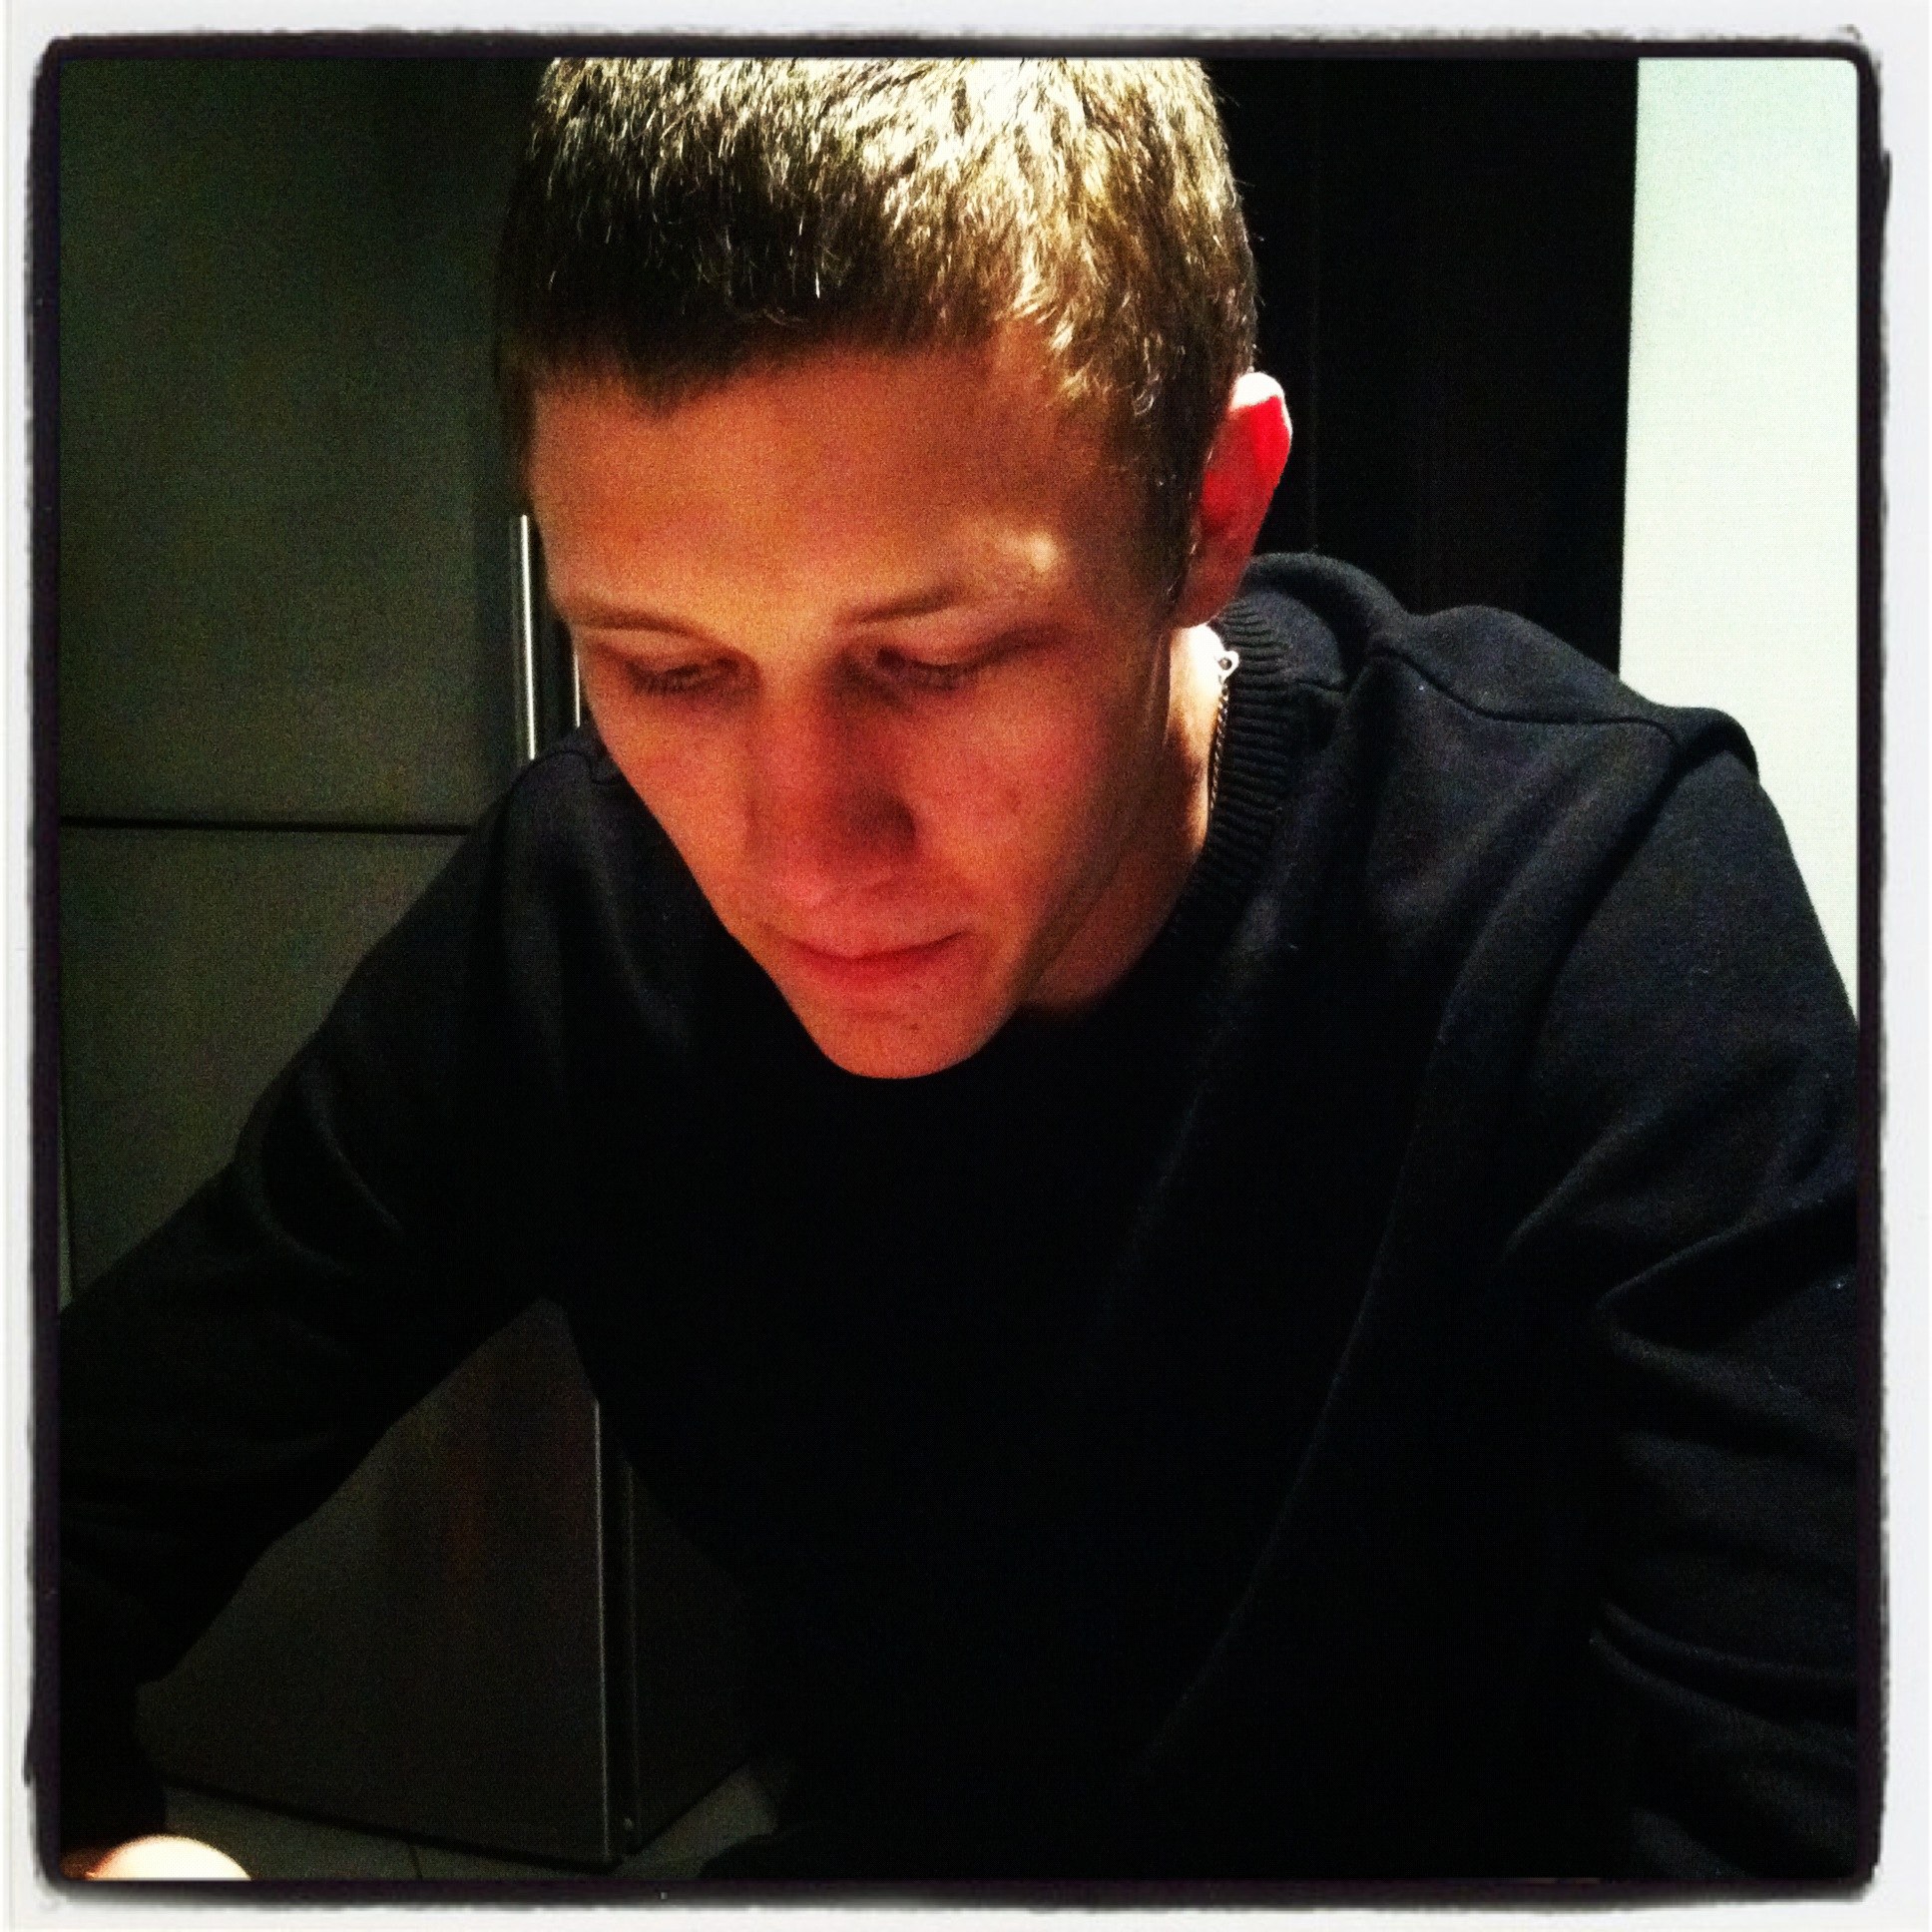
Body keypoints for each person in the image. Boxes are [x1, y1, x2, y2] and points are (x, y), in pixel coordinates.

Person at [56, 56, 1861, 1883]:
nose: (798, 856)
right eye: (669, 669)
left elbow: (1804, 1834)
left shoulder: (1600, 911)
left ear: (1212, 512)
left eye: (934, 661)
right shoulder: (586, 909)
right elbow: (83, 1499)